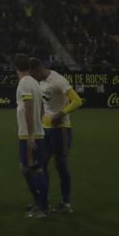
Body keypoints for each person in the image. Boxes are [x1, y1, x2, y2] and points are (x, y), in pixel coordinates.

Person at [32, 59, 81, 213]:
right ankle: (44, 201)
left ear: (40, 69)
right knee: (42, 165)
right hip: (45, 130)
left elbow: (77, 101)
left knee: (61, 166)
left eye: (34, 74)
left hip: (61, 130)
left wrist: (60, 114)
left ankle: (66, 203)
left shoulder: (58, 80)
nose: (34, 78)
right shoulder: (40, 82)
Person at [14, 55, 50, 219]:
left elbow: (29, 108)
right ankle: (39, 201)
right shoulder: (35, 83)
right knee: (27, 168)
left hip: (29, 135)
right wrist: (38, 124)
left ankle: (42, 207)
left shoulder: (24, 84)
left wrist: (30, 135)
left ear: (16, 68)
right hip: (34, 132)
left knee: (35, 168)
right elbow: (41, 107)